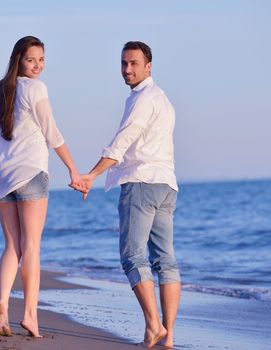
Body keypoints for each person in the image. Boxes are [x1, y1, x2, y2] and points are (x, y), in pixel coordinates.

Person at [72, 41, 180, 348]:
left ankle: (153, 325)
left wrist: (91, 175)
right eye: (123, 63)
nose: (127, 69)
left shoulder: (143, 99)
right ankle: (168, 337)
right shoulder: (163, 99)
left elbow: (122, 141)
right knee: (166, 261)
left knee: (133, 256)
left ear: (149, 66)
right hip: (166, 185)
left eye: (133, 63)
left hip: (142, 183)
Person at [0, 36, 81, 338]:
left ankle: (2, 304)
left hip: (3, 177)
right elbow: (51, 132)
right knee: (31, 247)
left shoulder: (1, 90)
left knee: (12, 247)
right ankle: (30, 315)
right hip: (31, 173)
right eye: (32, 60)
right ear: (19, 59)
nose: (38, 66)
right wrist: (72, 168)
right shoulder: (35, 88)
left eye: (42, 60)